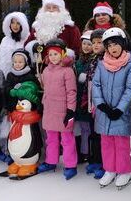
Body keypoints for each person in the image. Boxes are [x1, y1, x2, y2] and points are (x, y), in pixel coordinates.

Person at [92, 27, 131, 190]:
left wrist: (119, 109)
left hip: (120, 112)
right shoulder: (102, 63)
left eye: (116, 44)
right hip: (104, 111)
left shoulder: (130, 64)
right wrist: (101, 105)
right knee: (106, 142)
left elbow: (130, 88)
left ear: (122, 44)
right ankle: (110, 169)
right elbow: (96, 84)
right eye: (109, 45)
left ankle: (124, 171)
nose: (113, 48)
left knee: (121, 142)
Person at [37, 38, 78, 180]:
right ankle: (51, 161)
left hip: (63, 110)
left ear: (63, 54)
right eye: (51, 54)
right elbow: (45, 89)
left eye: (56, 54)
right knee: (51, 138)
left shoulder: (67, 71)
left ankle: (70, 164)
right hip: (49, 109)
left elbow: (71, 92)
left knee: (66, 139)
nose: (53, 57)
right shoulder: (46, 70)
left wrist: (70, 110)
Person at [83, 28, 106, 179]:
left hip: (103, 102)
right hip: (92, 102)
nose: (96, 45)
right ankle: (96, 159)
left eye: (99, 42)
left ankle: (105, 162)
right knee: (94, 133)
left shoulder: (106, 60)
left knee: (103, 134)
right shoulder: (92, 59)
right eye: (94, 42)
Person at [74, 30, 94, 164]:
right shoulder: (78, 61)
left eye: (89, 44)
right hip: (78, 98)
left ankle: (88, 152)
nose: (86, 47)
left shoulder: (94, 61)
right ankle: (81, 152)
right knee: (79, 128)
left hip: (88, 100)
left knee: (88, 128)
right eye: (84, 44)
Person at [4, 49, 40, 114]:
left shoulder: (30, 75)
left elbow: (36, 90)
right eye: (15, 62)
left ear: (26, 62)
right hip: (14, 107)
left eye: (20, 62)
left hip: (28, 108)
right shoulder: (10, 75)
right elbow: (6, 89)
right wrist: (11, 91)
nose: (17, 64)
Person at [0, 12, 30, 77]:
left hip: (23, 77)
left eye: (18, 23)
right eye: (12, 23)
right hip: (5, 76)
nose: (15, 26)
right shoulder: (5, 40)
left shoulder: (27, 39)